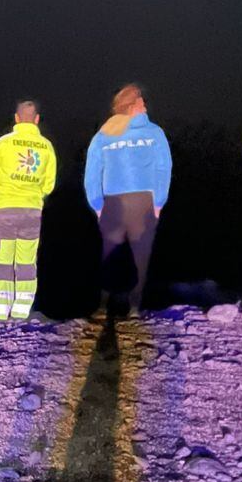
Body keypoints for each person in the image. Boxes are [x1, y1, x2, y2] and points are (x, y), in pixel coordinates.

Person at [83, 83, 172, 314]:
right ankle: (134, 307)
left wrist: (97, 204)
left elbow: (92, 171)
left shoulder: (104, 135)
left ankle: (103, 307)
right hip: (143, 200)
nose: (145, 106)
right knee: (140, 255)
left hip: (113, 201)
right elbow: (163, 168)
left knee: (110, 252)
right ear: (134, 106)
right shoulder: (154, 133)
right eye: (141, 102)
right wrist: (159, 201)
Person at [0, 100, 57, 321]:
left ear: (16, 118)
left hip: (4, 209)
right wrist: (33, 196)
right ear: (37, 119)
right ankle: (23, 306)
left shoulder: (2, 144)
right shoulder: (46, 146)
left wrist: (1, 195)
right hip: (32, 211)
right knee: (26, 258)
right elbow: (49, 184)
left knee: (1, 257)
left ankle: (1, 306)